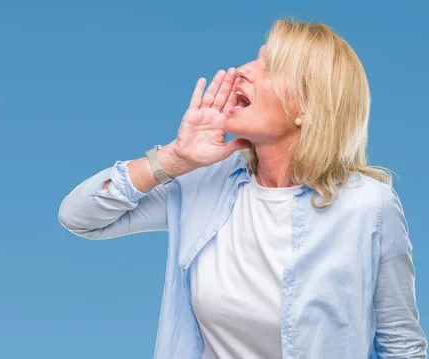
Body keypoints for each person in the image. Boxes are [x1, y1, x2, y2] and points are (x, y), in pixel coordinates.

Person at [58, 18, 427, 358]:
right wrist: (172, 159)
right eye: (256, 59)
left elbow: (402, 345)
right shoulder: (206, 180)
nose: (242, 71)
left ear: (309, 105)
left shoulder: (368, 206)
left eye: (271, 67)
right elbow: (80, 217)